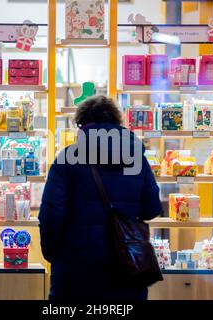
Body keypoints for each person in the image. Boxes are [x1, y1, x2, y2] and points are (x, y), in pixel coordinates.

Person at [39, 95, 163, 301]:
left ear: (83, 125)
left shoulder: (67, 159)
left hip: (75, 268)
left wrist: (53, 255)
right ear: (116, 123)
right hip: (126, 266)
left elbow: (51, 215)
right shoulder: (137, 159)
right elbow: (151, 209)